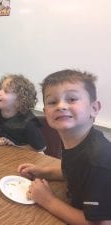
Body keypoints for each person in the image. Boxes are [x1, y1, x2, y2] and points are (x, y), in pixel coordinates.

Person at [18, 69, 111, 225]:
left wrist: (48, 201)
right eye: (52, 102)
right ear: (46, 112)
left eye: (72, 99)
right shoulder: (77, 141)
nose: (61, 106)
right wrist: (43, 172)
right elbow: (77, 173)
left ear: (94, 108)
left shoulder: (98, 159)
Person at [0, 74, 46, 152]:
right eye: (0, 89)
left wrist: (15, 146)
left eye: (6, 91)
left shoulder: (29, 122)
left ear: (20, 101)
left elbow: (41, 148)